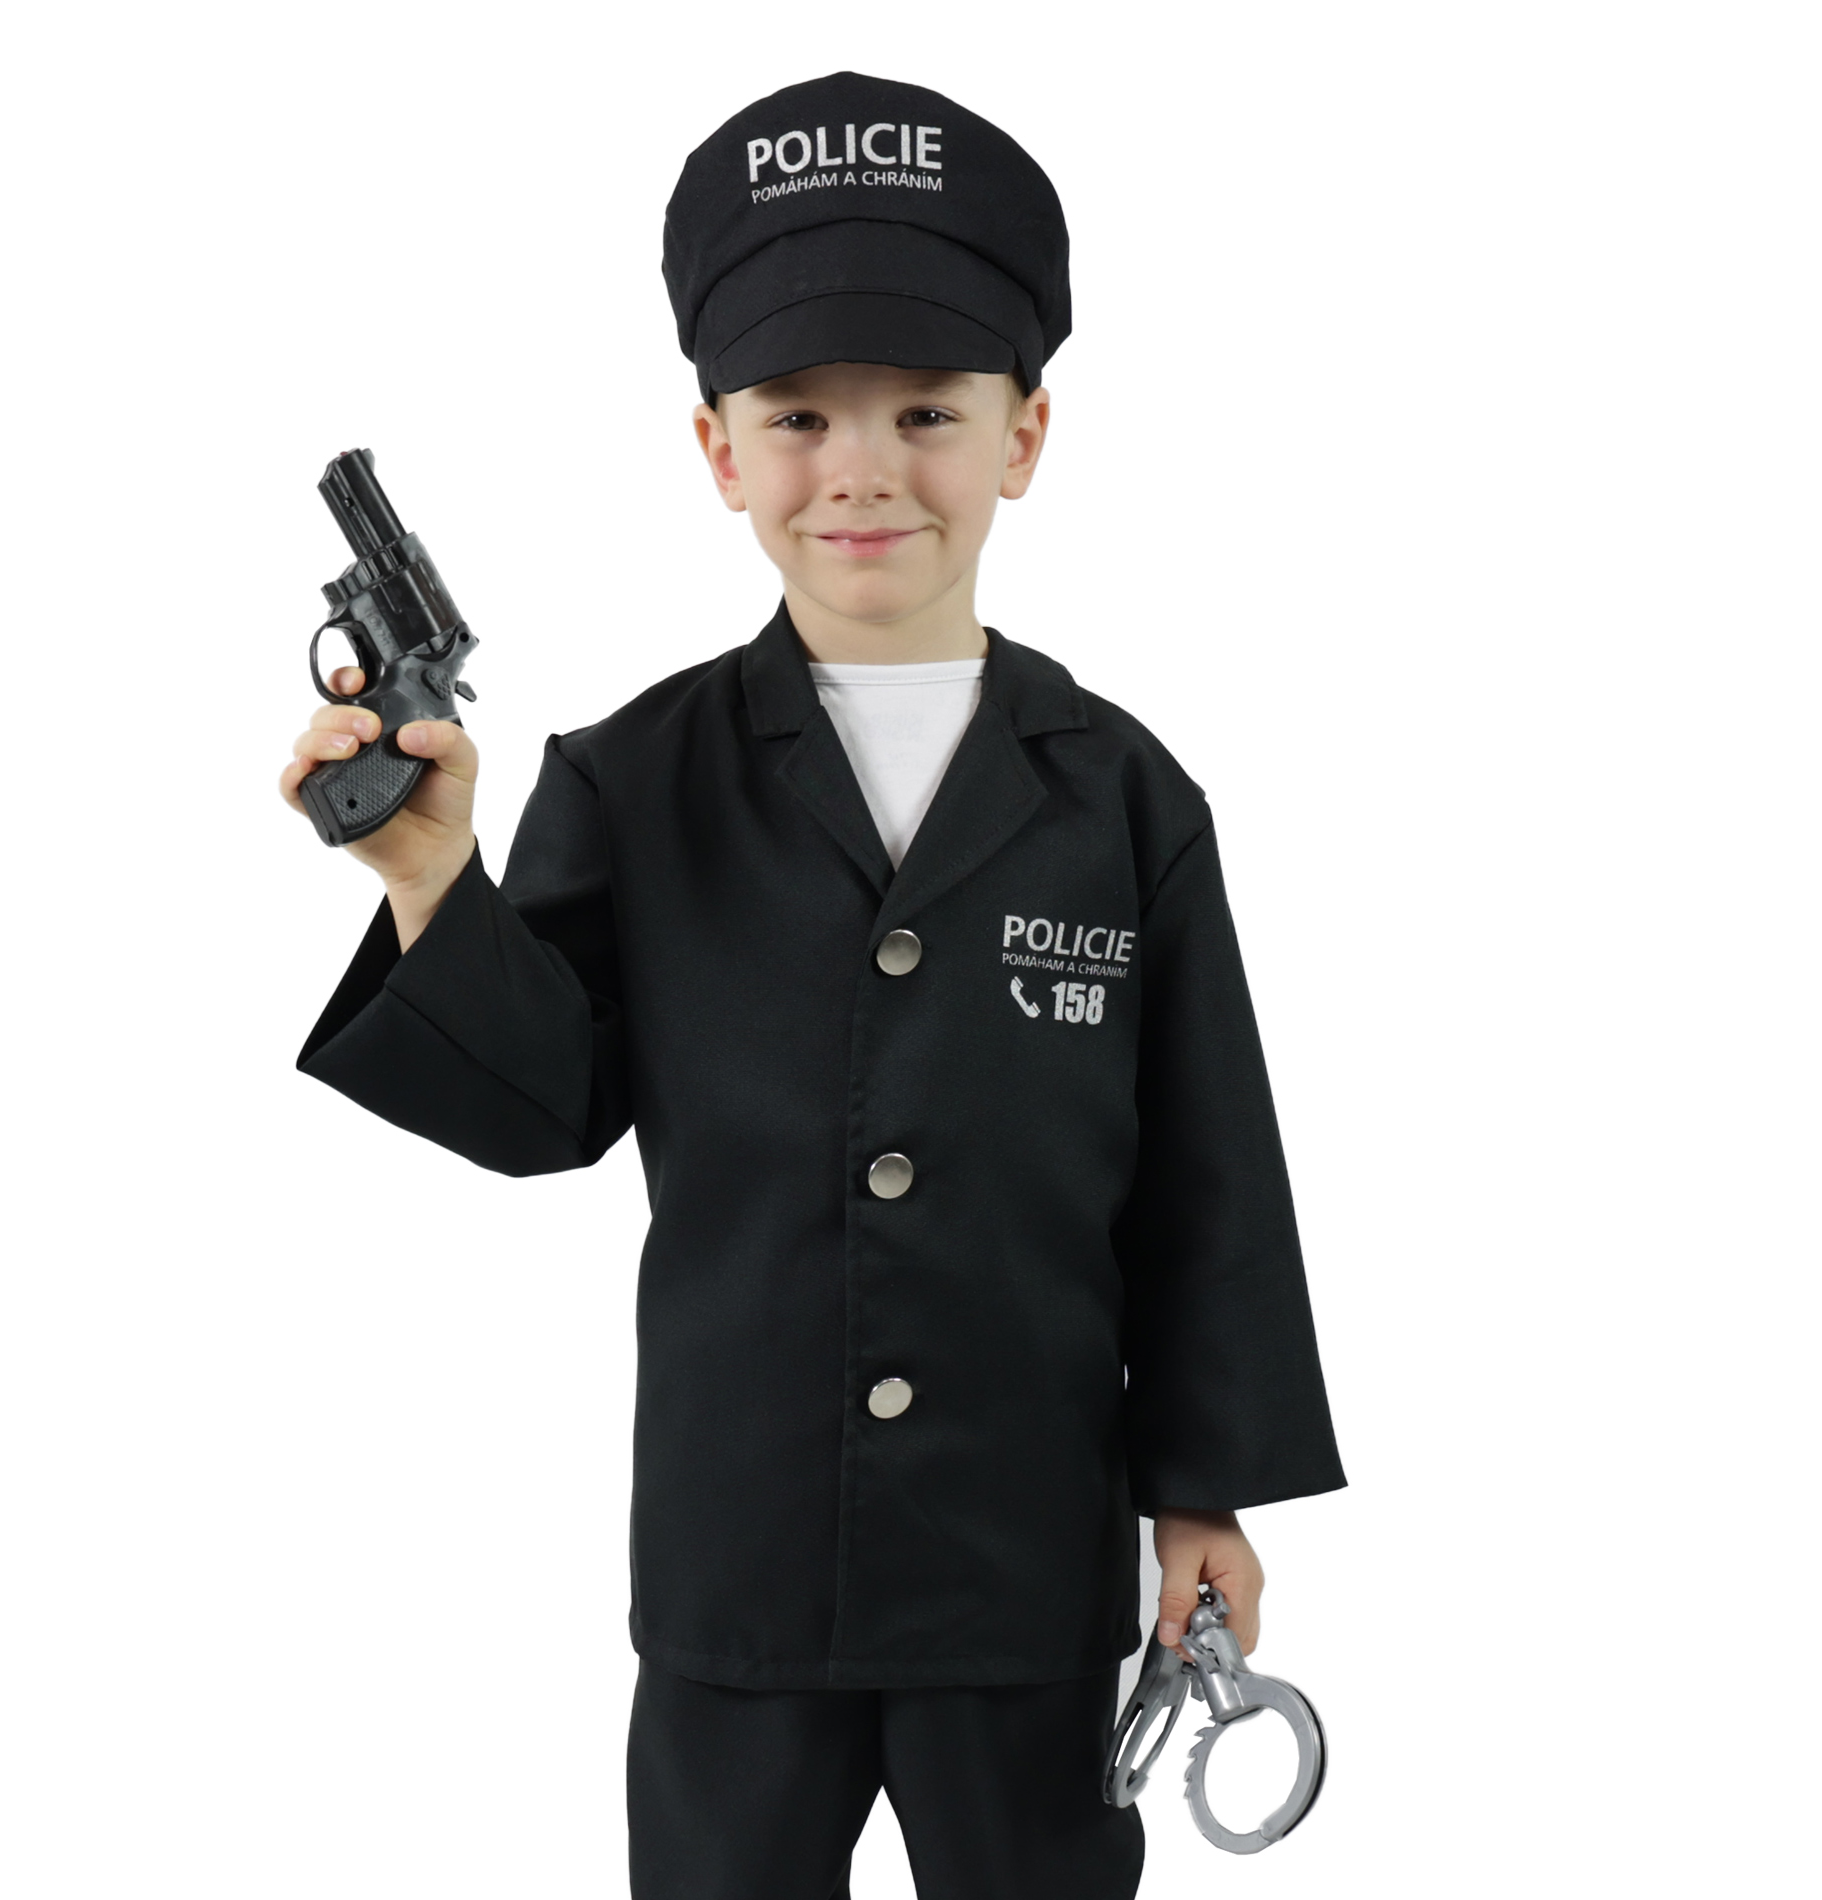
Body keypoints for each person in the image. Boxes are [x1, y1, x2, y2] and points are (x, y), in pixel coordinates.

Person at [283, 71, 1344, 1900]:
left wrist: (1203, 1495)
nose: (862, 470)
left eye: (927, 410)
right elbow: (546, 1112)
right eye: (799, 417)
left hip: (1023, 1575)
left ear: (1023, 435)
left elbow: (1208, 1183)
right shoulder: (633, 777)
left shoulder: (1124, 797)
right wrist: (433, 881)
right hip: (740, 1577)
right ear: (719, 450)